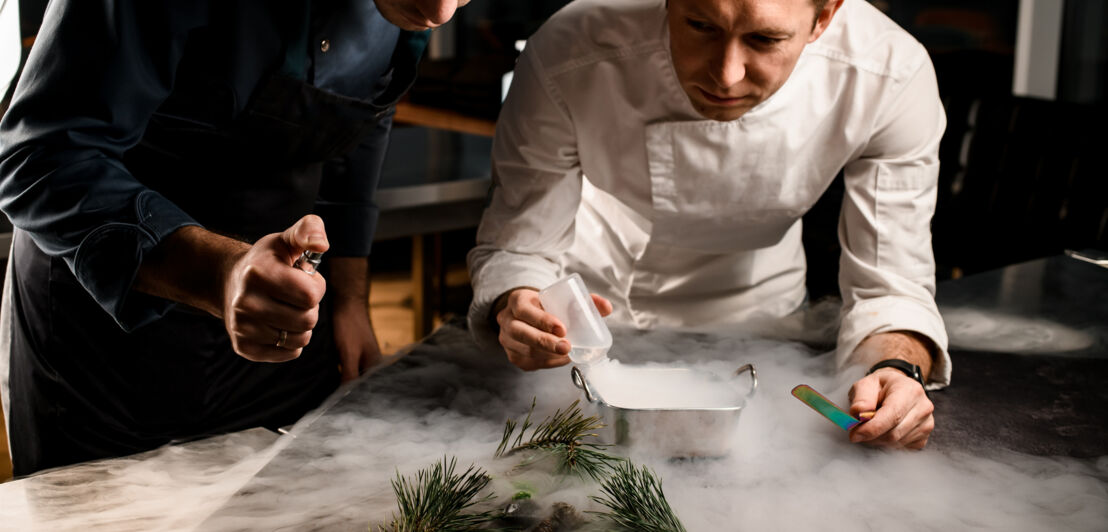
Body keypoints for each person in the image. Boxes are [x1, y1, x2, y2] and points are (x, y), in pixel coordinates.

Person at [0, 0, 468, 476]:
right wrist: (221, 274)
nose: (440, 12)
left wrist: (349, 300)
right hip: (102, 348)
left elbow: (364, 128)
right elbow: (37, 159)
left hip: (280, 347)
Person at [468, 0, 950, 450]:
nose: (726, 74)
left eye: (764, 40)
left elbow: (892, 285)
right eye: (701, 26)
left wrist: (895, 368)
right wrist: (520, 304)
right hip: (588, 322)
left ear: (824, 18)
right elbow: (519, 245)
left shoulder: (891, 73)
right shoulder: (570, 45)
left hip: (761, 322)